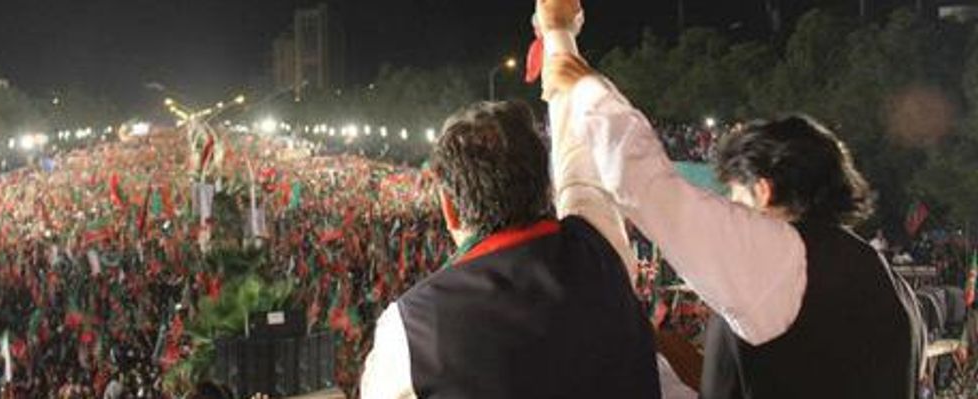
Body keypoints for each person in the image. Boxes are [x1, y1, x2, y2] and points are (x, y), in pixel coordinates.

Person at [535, 0, 924, 398]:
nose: (731, 211)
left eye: (734, 196)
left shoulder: (783, 260)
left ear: (763, 189)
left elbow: (647, 187)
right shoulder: (890, 285)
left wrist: (579, 79)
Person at [359, 101, 659, 398]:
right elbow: (579, 174)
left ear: (449, 208)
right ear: (546, 188)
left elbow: (578, 175)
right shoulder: (599, 249)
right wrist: (561, 63)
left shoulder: (411, 327)